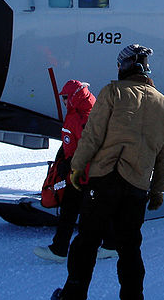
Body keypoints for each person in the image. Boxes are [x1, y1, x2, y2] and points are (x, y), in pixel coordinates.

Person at [50, 44, 164, 300]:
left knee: (87, 243)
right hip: (137, 188)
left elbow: (93, 135)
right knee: (129, 247)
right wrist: (156, 192)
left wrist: (78, 167)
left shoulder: (113, 92)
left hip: (104, 181)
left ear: (126, 66)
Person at [34, 80, 117, 263]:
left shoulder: (83, 117)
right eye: (63, 97)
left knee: (79, 210)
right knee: (79, 210)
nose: (64, 101)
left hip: (86, 174)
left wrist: (71, 162)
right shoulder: (83, 113)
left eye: (65, 97)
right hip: (84, 173)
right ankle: (62, 249)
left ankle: (62, 249)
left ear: (75, 96)